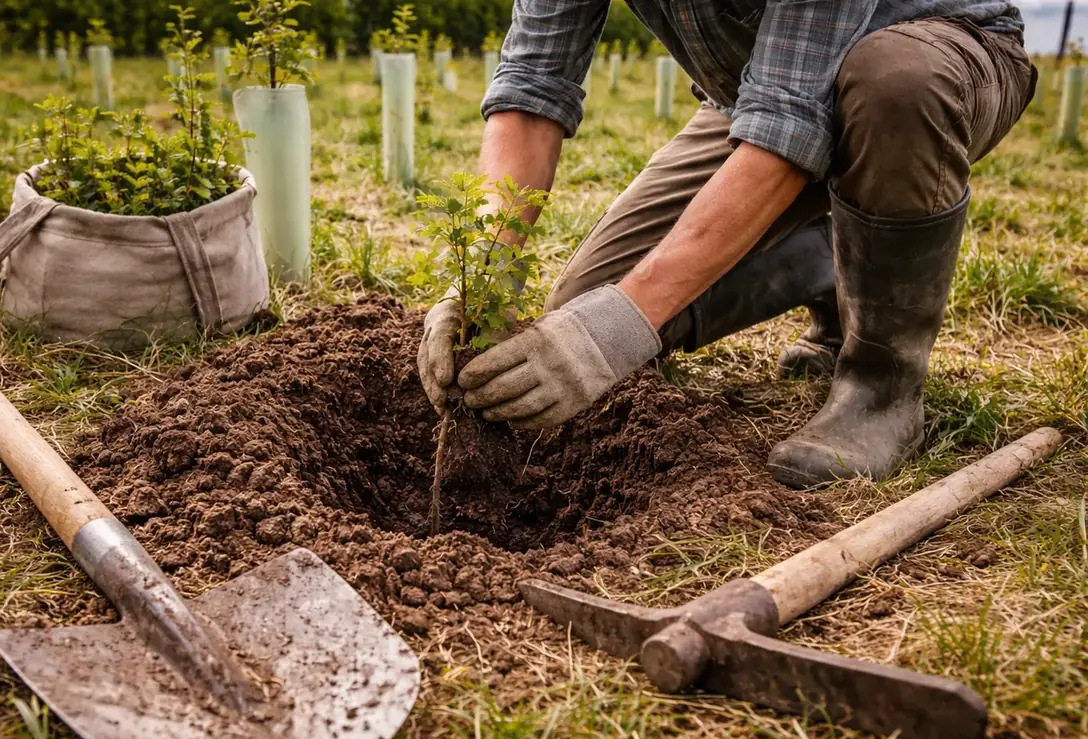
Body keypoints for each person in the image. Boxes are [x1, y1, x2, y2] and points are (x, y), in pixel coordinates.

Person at [417, 0, 1035, 488]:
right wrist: (485, 275)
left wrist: (621, 324)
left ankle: (883, 387)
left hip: (932, 61)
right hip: (755, 103)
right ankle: (831, 253)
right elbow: (531, 89)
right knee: (589, 303)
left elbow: (789, 122)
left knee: (894, 81)